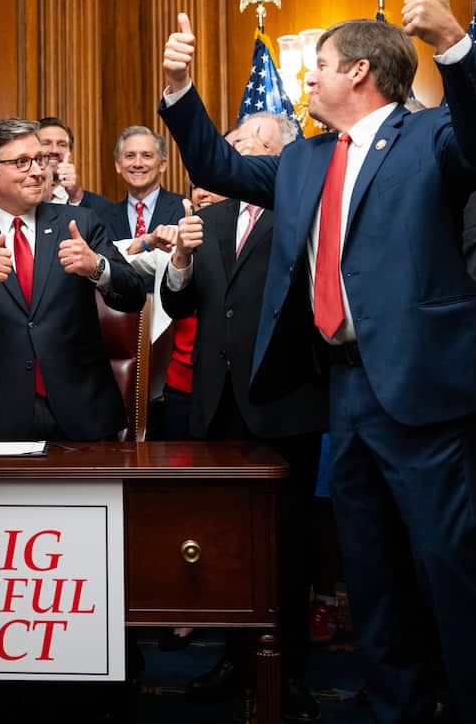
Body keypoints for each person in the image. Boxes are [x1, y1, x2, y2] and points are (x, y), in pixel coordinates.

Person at [158, 0, 476, 723]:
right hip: (343, 390)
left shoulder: (429, 134)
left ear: (357, 71)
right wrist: (179, 92)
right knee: (370, 565)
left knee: (447, 565)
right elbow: (219, 168)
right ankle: (396, 704)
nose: (307, 79)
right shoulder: (304, 159)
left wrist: (452, 43)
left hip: (422, 386)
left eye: (317, 65)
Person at [160, 116, 325, 721]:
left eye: (238, 146)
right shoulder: (212, 220)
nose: (226, 154)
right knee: (224, 547)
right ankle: (234, 660)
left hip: (284, 406)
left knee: (287, 549)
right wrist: (178, 259)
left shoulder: (300, 215)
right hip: (215, 408)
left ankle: (291, 675)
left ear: (275, 156)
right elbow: (180, 303)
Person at [0, 118, 144, 441]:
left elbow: (133, 294)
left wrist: (96, 266)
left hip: (84, 414)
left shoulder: (81, 223)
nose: (39, 171)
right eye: (22, 162)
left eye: (40, 160)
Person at [82, 126, 186, 245]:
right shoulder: (103, 218)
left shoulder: (183, 209)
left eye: (146, 155)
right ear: (118, 165)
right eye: (130, 156)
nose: (138, 164)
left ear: (162, 164)